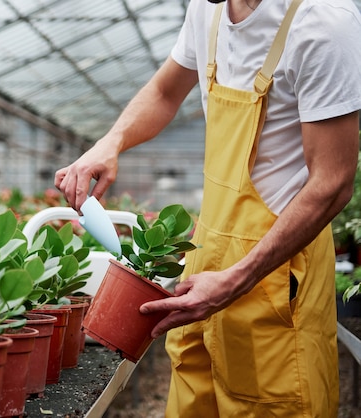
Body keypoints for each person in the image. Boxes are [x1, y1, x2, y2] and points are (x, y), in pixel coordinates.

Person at [54, 0, 361, 416]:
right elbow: (165, 92)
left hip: (276, 273)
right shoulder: (208, 10)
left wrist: (238, 278)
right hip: (207, 257)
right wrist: (110, 143)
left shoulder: (324, 23)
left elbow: (332, 181)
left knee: (272, 402)